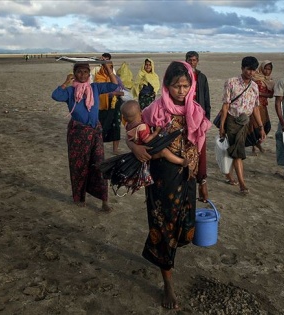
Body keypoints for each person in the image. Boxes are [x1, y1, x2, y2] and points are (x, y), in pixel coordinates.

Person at [128, 61, 211, 309]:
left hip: (188, 179)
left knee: (185, 227)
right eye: (176, 86)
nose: (182, 91)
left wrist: (203, 179)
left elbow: (201, 146)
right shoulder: (154, 110)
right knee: (164, 228)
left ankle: (165, 258)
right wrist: (135, 147)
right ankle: (168, 284)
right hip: (162, 179)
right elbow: (132, 131)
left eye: (186, 86)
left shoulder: (195, 110)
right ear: (166, 86)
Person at [51, 61, 118, 212]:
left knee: (100, 164)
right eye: (79, 72)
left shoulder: (94, 88)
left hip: (95, 132)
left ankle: (104, 201)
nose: (82, 75)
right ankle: (79, 197)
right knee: (79, 166)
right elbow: (55, 95)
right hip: (78, 133)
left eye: (85, 72)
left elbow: (114, 85)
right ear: (74, 74)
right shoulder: (69, 91)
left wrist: (107, 68)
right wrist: (66, 82)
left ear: (89, 74)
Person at [218, 56, 266, 195]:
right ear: (242, 68)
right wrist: (222, 126)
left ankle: (228, 174)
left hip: (246, 122)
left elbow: (256, 108)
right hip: (232, 121)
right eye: (248, 69)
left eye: (253, 70)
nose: (250, 72)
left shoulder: (255, 86)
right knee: (238, 152)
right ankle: (242, 184)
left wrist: (261, 127)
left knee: (234, 150)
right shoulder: (231, 82)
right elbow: (226, 105)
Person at [121, 99, 188, 166]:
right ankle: (181, 161)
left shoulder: (127, 125)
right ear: (141, 112)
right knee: (164, 152)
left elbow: (128, 137)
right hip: (147, 150)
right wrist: (156, 132)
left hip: (142, 150)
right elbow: (147, 140)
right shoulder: (142, 126)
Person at [185, 50, 211, 202]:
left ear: (197, 61)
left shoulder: (201, 77)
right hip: (184, 118)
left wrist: (206, 119)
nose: (192, 62)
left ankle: (202, 183)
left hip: (199, 118)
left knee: (200, 151)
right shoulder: (182, 77)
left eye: (194, 60)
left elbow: (206, 99)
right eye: (190, 59)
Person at [94, 56, 123, 155]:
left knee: (116, 126)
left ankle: (115, 149)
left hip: (115, 105)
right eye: (107, 67)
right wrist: (113, 93)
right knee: (102, 126)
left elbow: (123, 90)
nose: (108, 69)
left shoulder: (116, 79)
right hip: (103, 106)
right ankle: (98, 147)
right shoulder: (99, 78)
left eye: (110, 67)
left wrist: (118, 93)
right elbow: (100, 92)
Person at [250, 60, 275, 155]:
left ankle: (257, 143)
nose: (267, 71)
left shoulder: (270, 81)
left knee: (266, 126)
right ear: (261, 68)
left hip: (263, 106)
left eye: (269, 69)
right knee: (255, 126)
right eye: (266, 68)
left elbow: (271, 95)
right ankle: (255, 146)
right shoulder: (255, 78)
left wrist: (260, 93)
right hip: (254, 106)